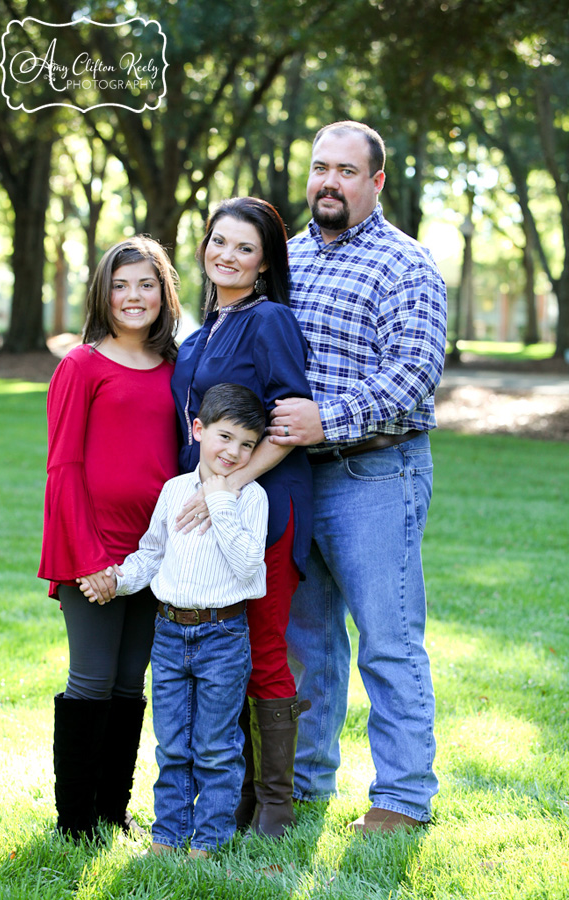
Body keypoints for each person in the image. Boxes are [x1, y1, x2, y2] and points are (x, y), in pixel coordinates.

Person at [267, 121, 448, 834]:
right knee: (305, 641)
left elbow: (414, 374)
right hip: (295, 481)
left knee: (389, 637)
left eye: (347, 170)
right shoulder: (285, 258)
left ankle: (402, 798)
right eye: (320, 168)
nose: (329, 182)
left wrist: (327, 420)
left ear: (375, 182)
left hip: (376, 472)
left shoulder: (406, 265)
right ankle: (306, 784)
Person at [170, 197, 313, 838]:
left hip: (263, 506)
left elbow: (287, 422)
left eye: (244, 248)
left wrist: (225, 486)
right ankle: (234, 796)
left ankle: (275, 807)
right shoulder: (199, 333)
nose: (227, 255)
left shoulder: (270, 320)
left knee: (263, 646)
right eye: (218, 242)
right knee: (223, 652)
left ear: (263, 263)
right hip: (201, 513)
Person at [80, 383, 269, 858]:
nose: (234, 452)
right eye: (225, 437)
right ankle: (168, 835)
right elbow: (151, 555)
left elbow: (249, 567)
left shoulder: (251, 499)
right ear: (199, 429)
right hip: (168, 635)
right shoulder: (173, 490)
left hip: (222, 635)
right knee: (173, 745)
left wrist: (222, 498)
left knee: (215, 746)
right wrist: (117, 579)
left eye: (247, 444)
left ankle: (209, 840)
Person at [38, 235, 181, 840]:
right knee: (92, 680)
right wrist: (91, 559)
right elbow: (64, 467)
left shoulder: (176, 367)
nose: (133, 296)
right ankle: (74, 823)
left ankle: (110, 811)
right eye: (121, 284)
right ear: (103, 291)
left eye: (146, 284)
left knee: (130, 683)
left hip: (154, 553)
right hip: (92, 550)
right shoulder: (81, 365)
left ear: (164, 292)